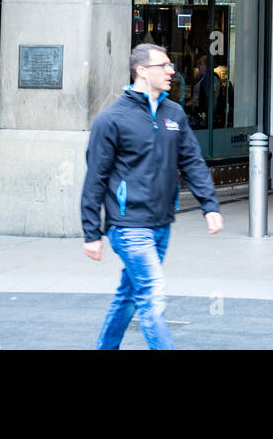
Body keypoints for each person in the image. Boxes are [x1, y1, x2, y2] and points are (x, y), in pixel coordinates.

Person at [82, 43, 223, 350]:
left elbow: (192, 161)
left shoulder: (174, 113)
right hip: (128, 225)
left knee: (129, 296)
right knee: (151, 295)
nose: (172, 71)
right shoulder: (112, 119)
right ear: (142, 71)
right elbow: (95, 178)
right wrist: (91, 232)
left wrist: (209, 205)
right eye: (164, 66)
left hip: (161, 223)